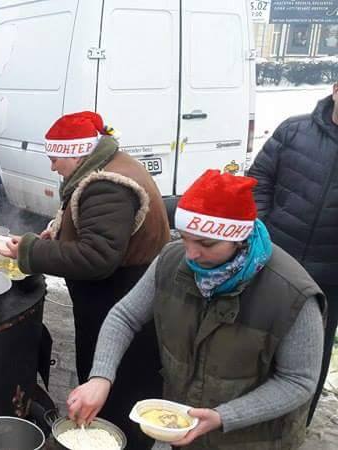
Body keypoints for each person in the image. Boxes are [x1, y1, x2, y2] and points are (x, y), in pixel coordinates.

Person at [69, 169, 326, 449]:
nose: (191, 254)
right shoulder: (172, 260)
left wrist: (223, 416)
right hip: (184, 427)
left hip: (256, 440)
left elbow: (298, 381)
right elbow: (124, 317)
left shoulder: (292, 293)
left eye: (206, 243)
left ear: (239, 238)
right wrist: (100, 377)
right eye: (186, 238)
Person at [0, 111, 170, 448]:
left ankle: (115, 440)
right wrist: (55, 235)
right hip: (112, 297)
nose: (52, 167)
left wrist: (31, 252)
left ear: (75, 151)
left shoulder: (106, 185)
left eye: (54, 158)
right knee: (109, 382)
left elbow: (97, 257)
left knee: (118, 389)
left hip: (120, 301)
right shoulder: (101, 167)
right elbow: (91, 230)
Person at [247, 83, 338, 423]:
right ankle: (245, 419)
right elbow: (259, 180)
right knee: (254, 343)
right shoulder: (293, 130)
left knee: (310, 357)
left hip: (328, 280)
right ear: (335, 90)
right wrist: (262, 231)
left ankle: (294, 427)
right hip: (271, 263)